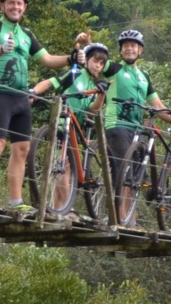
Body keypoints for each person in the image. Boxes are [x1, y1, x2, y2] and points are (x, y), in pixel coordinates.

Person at [0, 0, 80, 211]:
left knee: (22, 149)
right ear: (2, 6)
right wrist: (3, 48)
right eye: (11, 2)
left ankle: (16, 201)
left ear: (24, 8)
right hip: (0, 95)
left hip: (22, 98)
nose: (15, 6)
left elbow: (47, 59)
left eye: (20, 3)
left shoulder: (26, 35)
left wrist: (70, 58)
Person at [99, 29, 171, 221]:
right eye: (125, 46)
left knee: (133, 175)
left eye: (133, 46)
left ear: (140, 50)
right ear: (121, 50)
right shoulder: (114, 69)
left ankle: (129, 218)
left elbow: (158, 106)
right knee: (122, 171)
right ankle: (119, 218)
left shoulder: (144, 77)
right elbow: (96, 60)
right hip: (117, 124)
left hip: (136, 129)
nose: (129, 49)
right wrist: (88, 43)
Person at [29, 41, 110, 214]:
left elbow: (93, 109)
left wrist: (102, 94)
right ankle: (64, 209)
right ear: (86, 60)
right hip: (61, 124)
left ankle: (63, 207)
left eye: (101, 63)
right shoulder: (75, 73)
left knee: (67, 168)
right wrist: (34, 93)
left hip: (76, 127)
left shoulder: (93, 84)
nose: (98, 65)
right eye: (95, 60)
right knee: (62, 167)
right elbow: (50, 82)